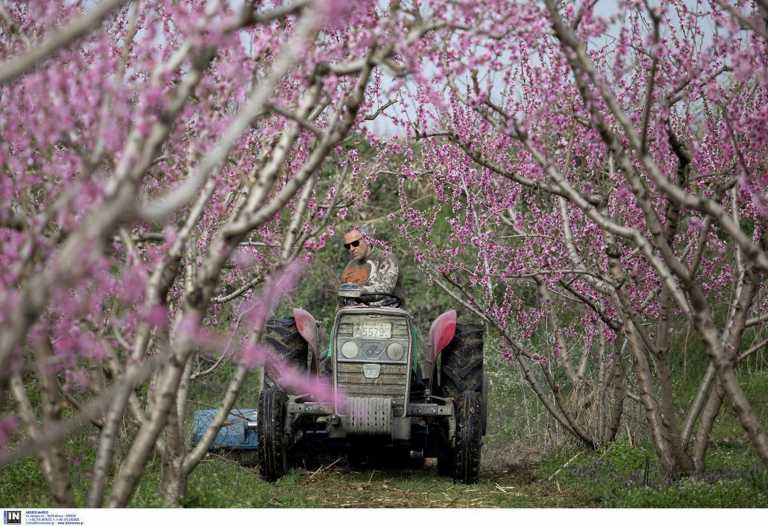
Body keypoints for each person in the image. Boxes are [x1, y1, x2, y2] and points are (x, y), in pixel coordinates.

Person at [340, 226, 403, 307]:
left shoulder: (386, 258)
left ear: (367, 240)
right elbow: (342, 298)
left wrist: (355, 291)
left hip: (386, 314)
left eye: (355, 243)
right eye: (347, 246)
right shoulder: (350, 266)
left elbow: (384, 290)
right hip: (354, 315)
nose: (351, 249)